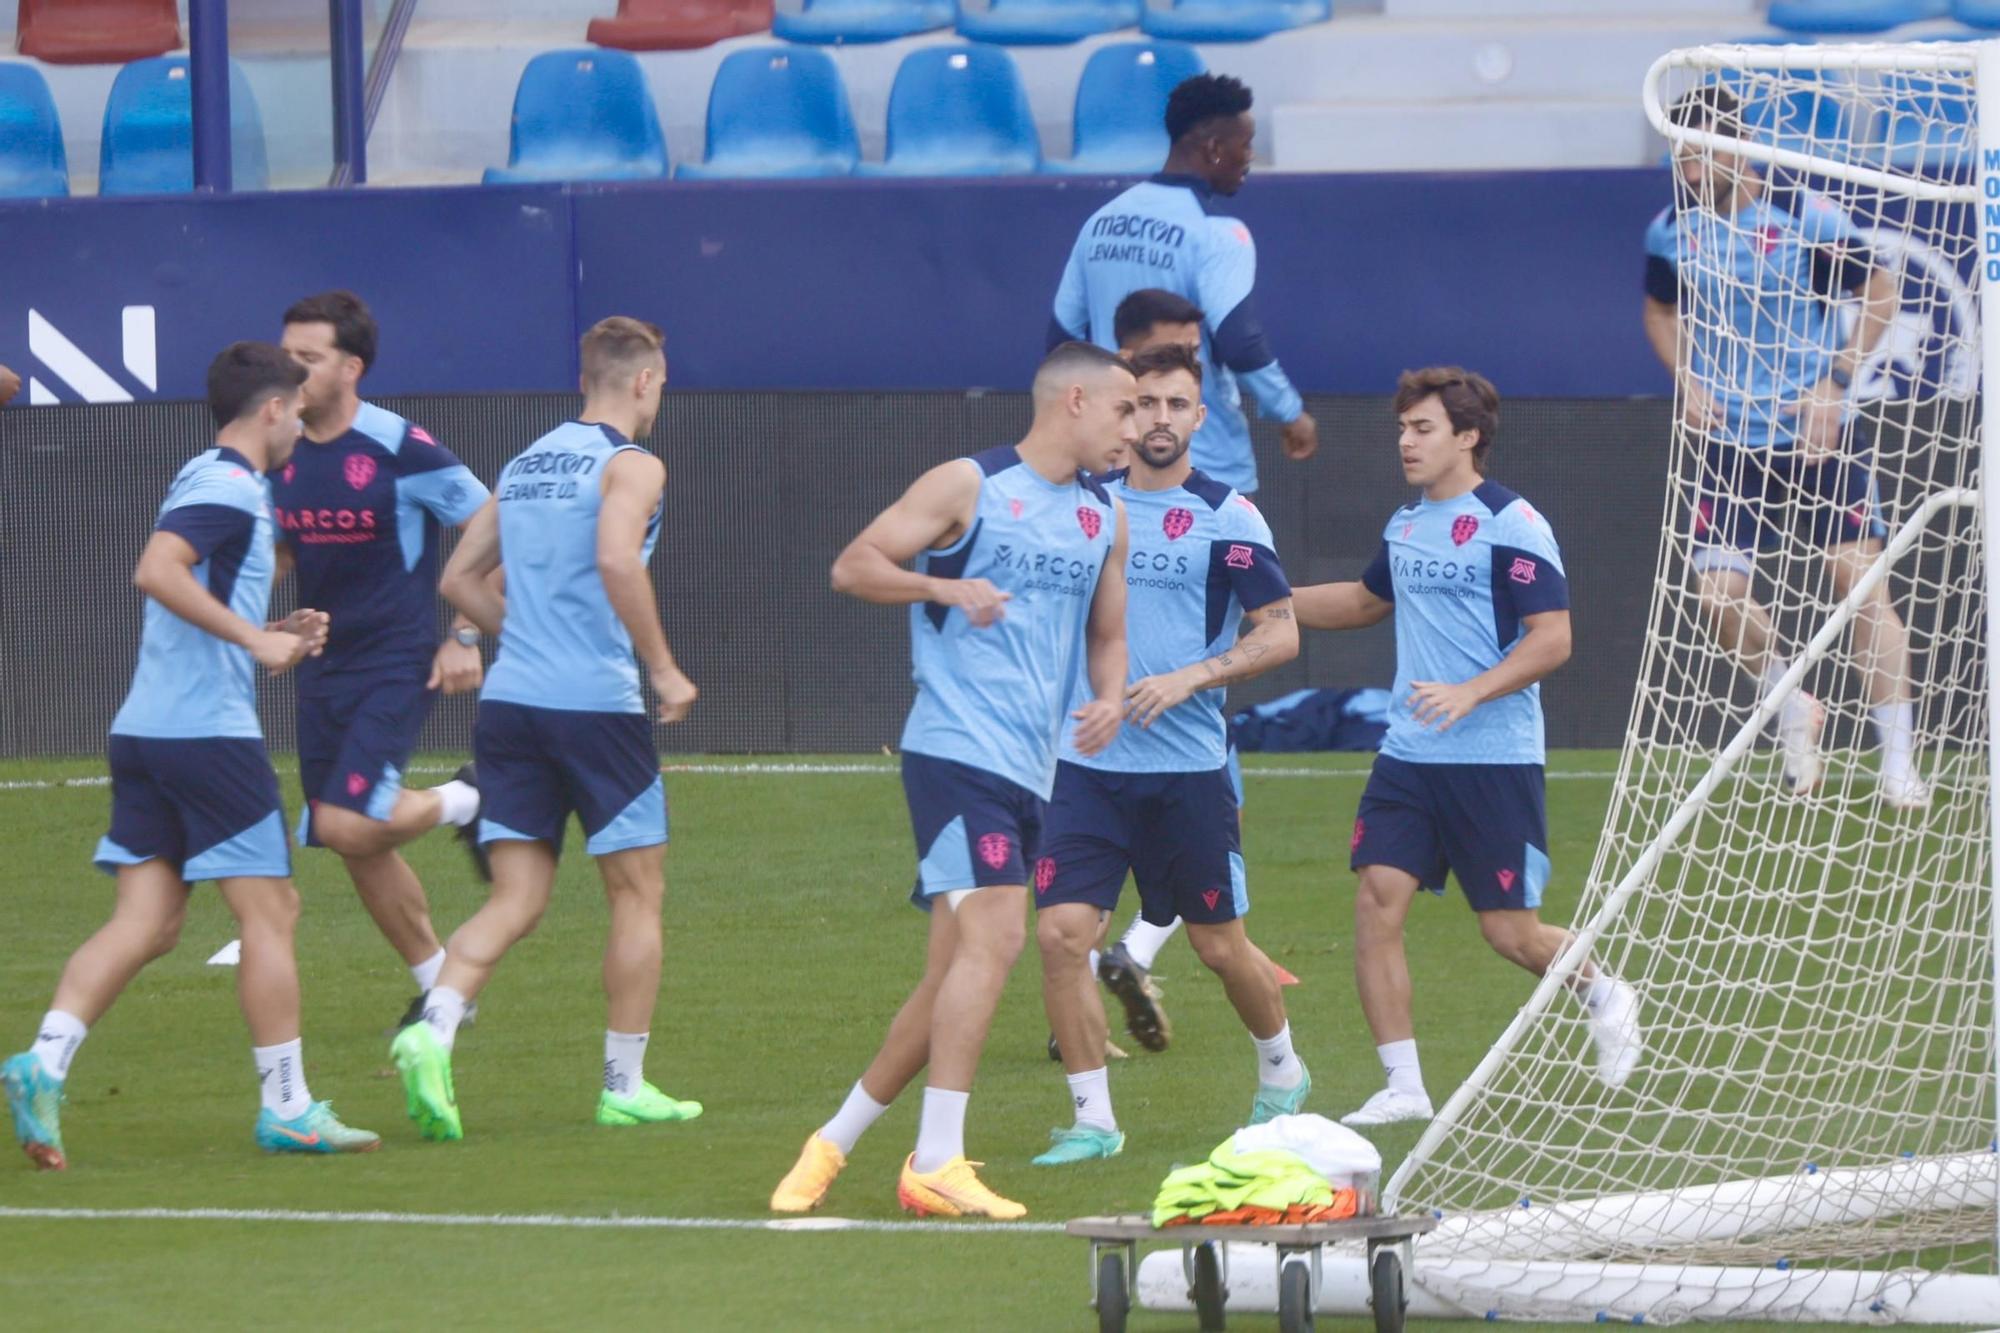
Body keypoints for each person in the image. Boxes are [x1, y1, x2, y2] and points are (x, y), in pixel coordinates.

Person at [770, 342, 1135, 1218]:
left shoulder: (1103, 517)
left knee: (951, 976)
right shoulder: (970, 485)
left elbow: (1109, 632)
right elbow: (854, 565)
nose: (1138, 428)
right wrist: (941, 590)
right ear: (1075, 400)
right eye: (1126, 409)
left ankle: (832, 1143)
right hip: (954, 749)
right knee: (999, 939)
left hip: (1030, 768)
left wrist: (1112, 698)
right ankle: (937, 1158)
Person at [2, 342, 379, 1168]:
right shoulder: (230, 485)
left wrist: (270, 634)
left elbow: (187, 596)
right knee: (271, 912)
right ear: (274, 410)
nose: (300, 426)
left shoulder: (200, 474)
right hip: (207, 737)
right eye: (297, 409)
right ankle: (287, 1107)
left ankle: (44, 1061)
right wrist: (254, 637)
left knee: (149, 921)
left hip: (148, 729)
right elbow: (156, 570)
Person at [1293, 367, 1640, 1127]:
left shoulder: (1513, 523)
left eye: (1422, 428)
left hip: (1494, 757)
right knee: (1376, 901)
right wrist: (1267, 605)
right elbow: (1362, 600)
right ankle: (1404, 1086)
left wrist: (1471, 690)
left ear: (1468, 436)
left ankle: (1602, 990)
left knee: (1508, 932)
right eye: (1401, 429)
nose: (1406, 442)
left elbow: (1553, 639)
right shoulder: (1406, 524)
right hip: (1409, 756)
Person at [391, 316, 702, 1141]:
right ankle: (623, 1084)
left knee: (517, 895)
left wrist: (525, 634)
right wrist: (663, 667)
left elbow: (459, 577)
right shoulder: (632, 463)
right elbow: (615, 559)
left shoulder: (526, 462)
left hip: (513, 704)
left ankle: (434, 1025)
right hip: (595, 706)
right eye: (661, 382)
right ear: (641, 382)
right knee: (637, 893)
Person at [1031, 342, 1310, 1166]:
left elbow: (1281, 629)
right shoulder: (1083, 504)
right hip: (1085, 766)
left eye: (1176, 404)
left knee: (1222, 947)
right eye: (1143, 402)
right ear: (1121, 411)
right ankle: (1093, 1120)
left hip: (1187, 773)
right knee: (1061, 936)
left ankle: (1282, 1071)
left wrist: (1193, 676)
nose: (1158, 418)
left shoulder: (1228, 517)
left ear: (1200, 416)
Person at [1644, 86, 1925, 809]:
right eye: (1680, 146)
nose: (1688, 159)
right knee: (1717, 594)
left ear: (1737, 146)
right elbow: (1658, 309)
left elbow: (1881, 292)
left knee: (1859, 585)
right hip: (1732, 441)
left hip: (1816, 434)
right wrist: (1688, 380)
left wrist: (1834, 384)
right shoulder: (1674, 228)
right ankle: (1791, 702)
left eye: (1700, 143)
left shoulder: (1805, 217)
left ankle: (1898, 765)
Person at [272, 292, 491, 1024]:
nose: (292, 369)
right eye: (287, 355)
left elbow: (494, 523)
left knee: (345, 821)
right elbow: (279, 552)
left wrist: (464, 630)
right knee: (355, 844)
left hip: (395, 663)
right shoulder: (276, 447)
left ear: (351, 366)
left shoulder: (400, 446)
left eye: (309, 357)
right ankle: (441, 990)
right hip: (322, 669)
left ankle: (471, 799)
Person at [1051, 73, 1318, 500]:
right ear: (1214, 149)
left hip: (1117, 468)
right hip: (1204, 468)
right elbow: (1240, 341)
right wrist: (1290, 413)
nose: (1249, 158)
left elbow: (1062, 340)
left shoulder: (1101, 222)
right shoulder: (1218, 232)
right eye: (1245, 144)